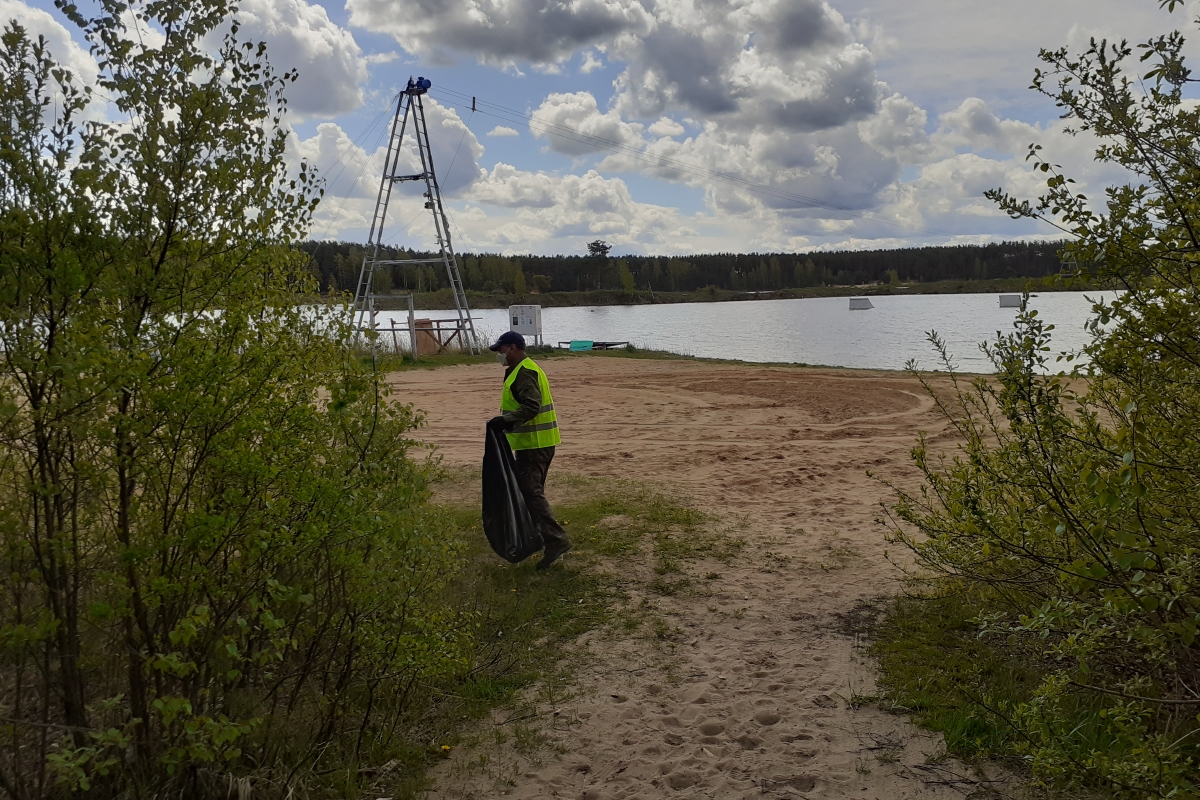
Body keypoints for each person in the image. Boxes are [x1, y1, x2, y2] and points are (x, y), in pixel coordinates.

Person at [488, 331, 572, 570]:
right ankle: (540, 538)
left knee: (530, 494)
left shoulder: (524, 372)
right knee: (530, 494)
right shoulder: (522, 369)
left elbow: (532, 406)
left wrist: (505, 421)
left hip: (534, 445)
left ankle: (556, 540)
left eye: (501, 350)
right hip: (537, 443)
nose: (499, 355)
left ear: (513, 347)